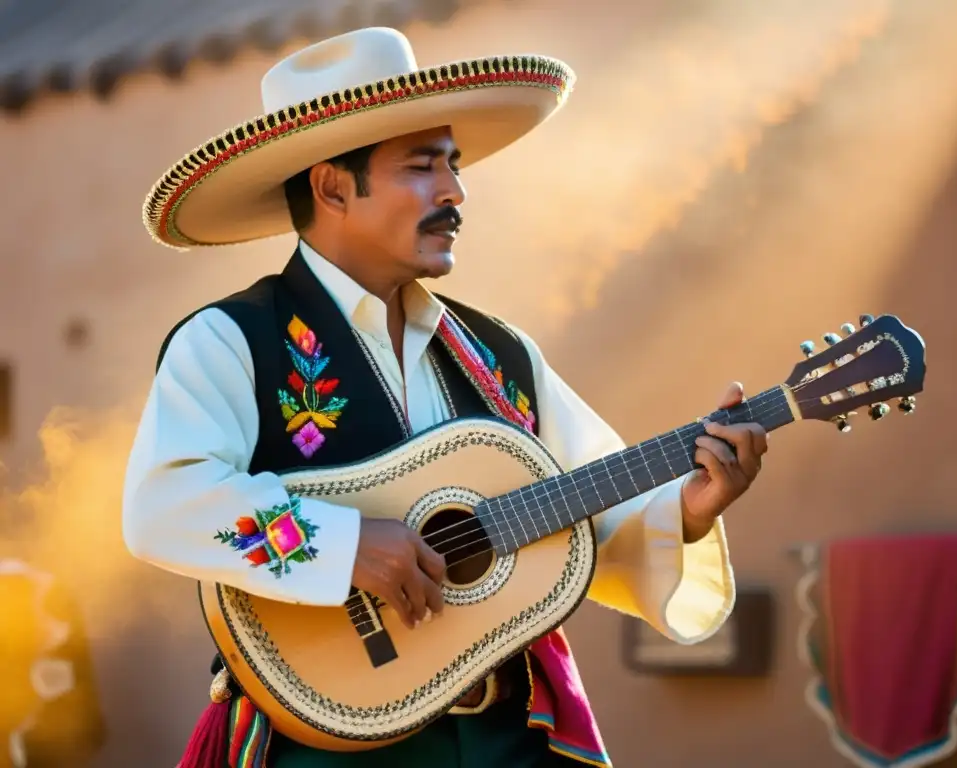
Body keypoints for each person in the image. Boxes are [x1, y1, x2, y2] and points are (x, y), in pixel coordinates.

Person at [123, 26, 768, 768]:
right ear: (333, 185)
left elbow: (595, 501)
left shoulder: (501, 353)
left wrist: (684, 512)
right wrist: (343, 547)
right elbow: (162, 505)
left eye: (453, 167)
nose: (456, 192)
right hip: (324, 747)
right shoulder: (233, 339)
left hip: (508, 739)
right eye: (423, 168)